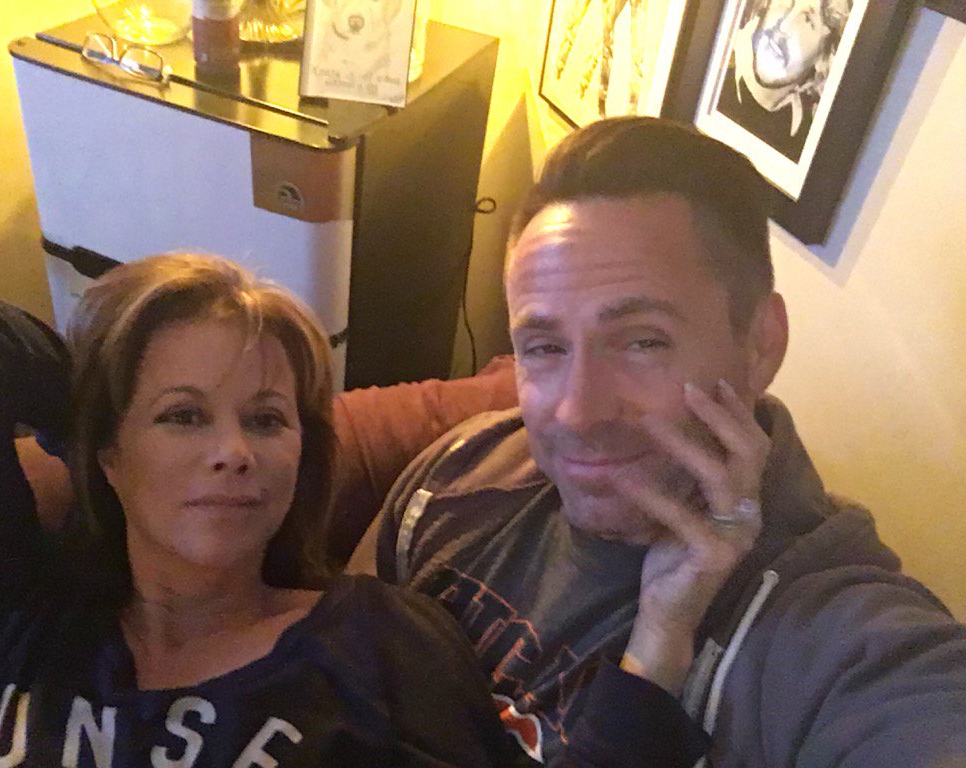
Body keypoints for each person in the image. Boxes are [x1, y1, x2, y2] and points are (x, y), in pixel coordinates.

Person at [348, 117, 966, 766]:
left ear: (760, 344)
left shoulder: (834, 644)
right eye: (545, 347)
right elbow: (321, 671)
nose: (578, 412)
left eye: (643, 342)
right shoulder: (457, 474)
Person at [0, 255, 708, 766]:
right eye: (183, 415)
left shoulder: (376, 645)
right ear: (109, 452)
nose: (233, 450)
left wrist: (664, 632)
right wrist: (81, 405)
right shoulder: (6, 608)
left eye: (266, 419)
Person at [716, 0, 852, 161]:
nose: (783, 27)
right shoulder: (713, 79)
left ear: (824, 57)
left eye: (807, 20)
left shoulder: (808, 148)